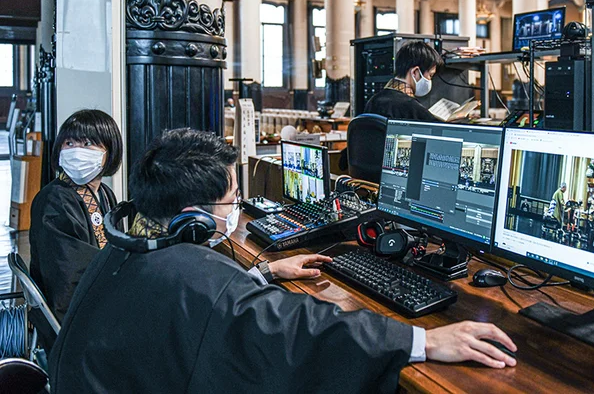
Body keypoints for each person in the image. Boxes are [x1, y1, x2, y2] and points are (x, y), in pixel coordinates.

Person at [49, 129, 517, 393]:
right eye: (233, 198)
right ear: (193, 219)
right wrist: (422, 341)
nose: (236, 208)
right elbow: (300, 331)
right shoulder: (191, 273)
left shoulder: (129, 244)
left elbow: (197, 309)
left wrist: (263, 272)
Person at [30, 109, 123, 321]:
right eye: (69, 143)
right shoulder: (54, 200)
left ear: (109, 151)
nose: (77, 151)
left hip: (103, 299)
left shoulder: (104, 193)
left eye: (88, 143)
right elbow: (68, 276)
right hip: (76, 318)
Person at [364, 41, 442, 121]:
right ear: (415, 72)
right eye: (430, 75)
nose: (430, 80)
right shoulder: (412, 108)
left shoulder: (372, 101)